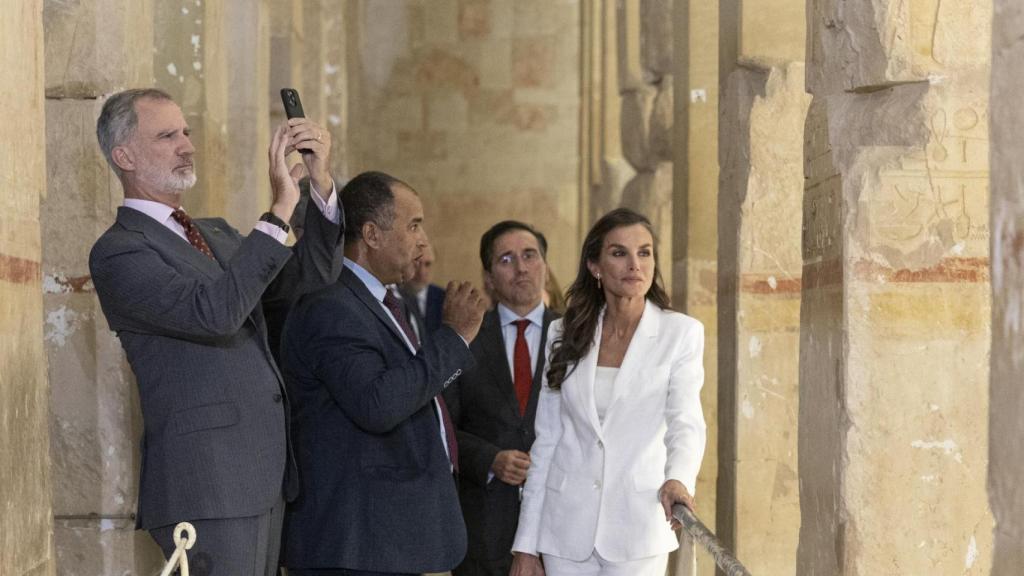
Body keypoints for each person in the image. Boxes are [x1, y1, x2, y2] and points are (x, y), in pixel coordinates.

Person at [88, 88, 344, 575]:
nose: (187, 145)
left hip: (263, 475)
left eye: (186, 132)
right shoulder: (120, 251)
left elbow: (310, 276)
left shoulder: (217, 234)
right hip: (207, 484)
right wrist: (277, 211)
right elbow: (215, 313)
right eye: (166, 136)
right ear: (125, 156)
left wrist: (318, 184)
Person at [280, 171, 486, 576]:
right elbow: (377, 404)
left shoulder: (385, 302)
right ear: (372, 235)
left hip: (390, 536)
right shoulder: (331, 306)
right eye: (413, 226)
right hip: (354, 543)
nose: (422, 241)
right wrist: (453, 339)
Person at [510, 208, 706, 576]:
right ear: (595, 266)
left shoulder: (681, 333)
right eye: (619, 253)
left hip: (638, 526)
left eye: (644, 252)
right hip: (564, 528)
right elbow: (547, 439)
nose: (635, 264)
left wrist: (679, 477)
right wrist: (526, 543)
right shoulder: (562, 332)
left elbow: (686, 421)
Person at [443, 221, 560, 576]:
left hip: (561, 530)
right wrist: (489, 459)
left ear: (545, 266)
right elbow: (442, 427)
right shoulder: (464, 338)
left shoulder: (576, 337)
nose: (521, 267)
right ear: (489, 278)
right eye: (506, 259)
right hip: (483, 531)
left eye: (530, 256)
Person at [401, 243, 445, 338]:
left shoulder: (445, 299)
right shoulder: (390, 298)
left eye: (427, 264)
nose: (421, 272)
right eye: (416, 263)